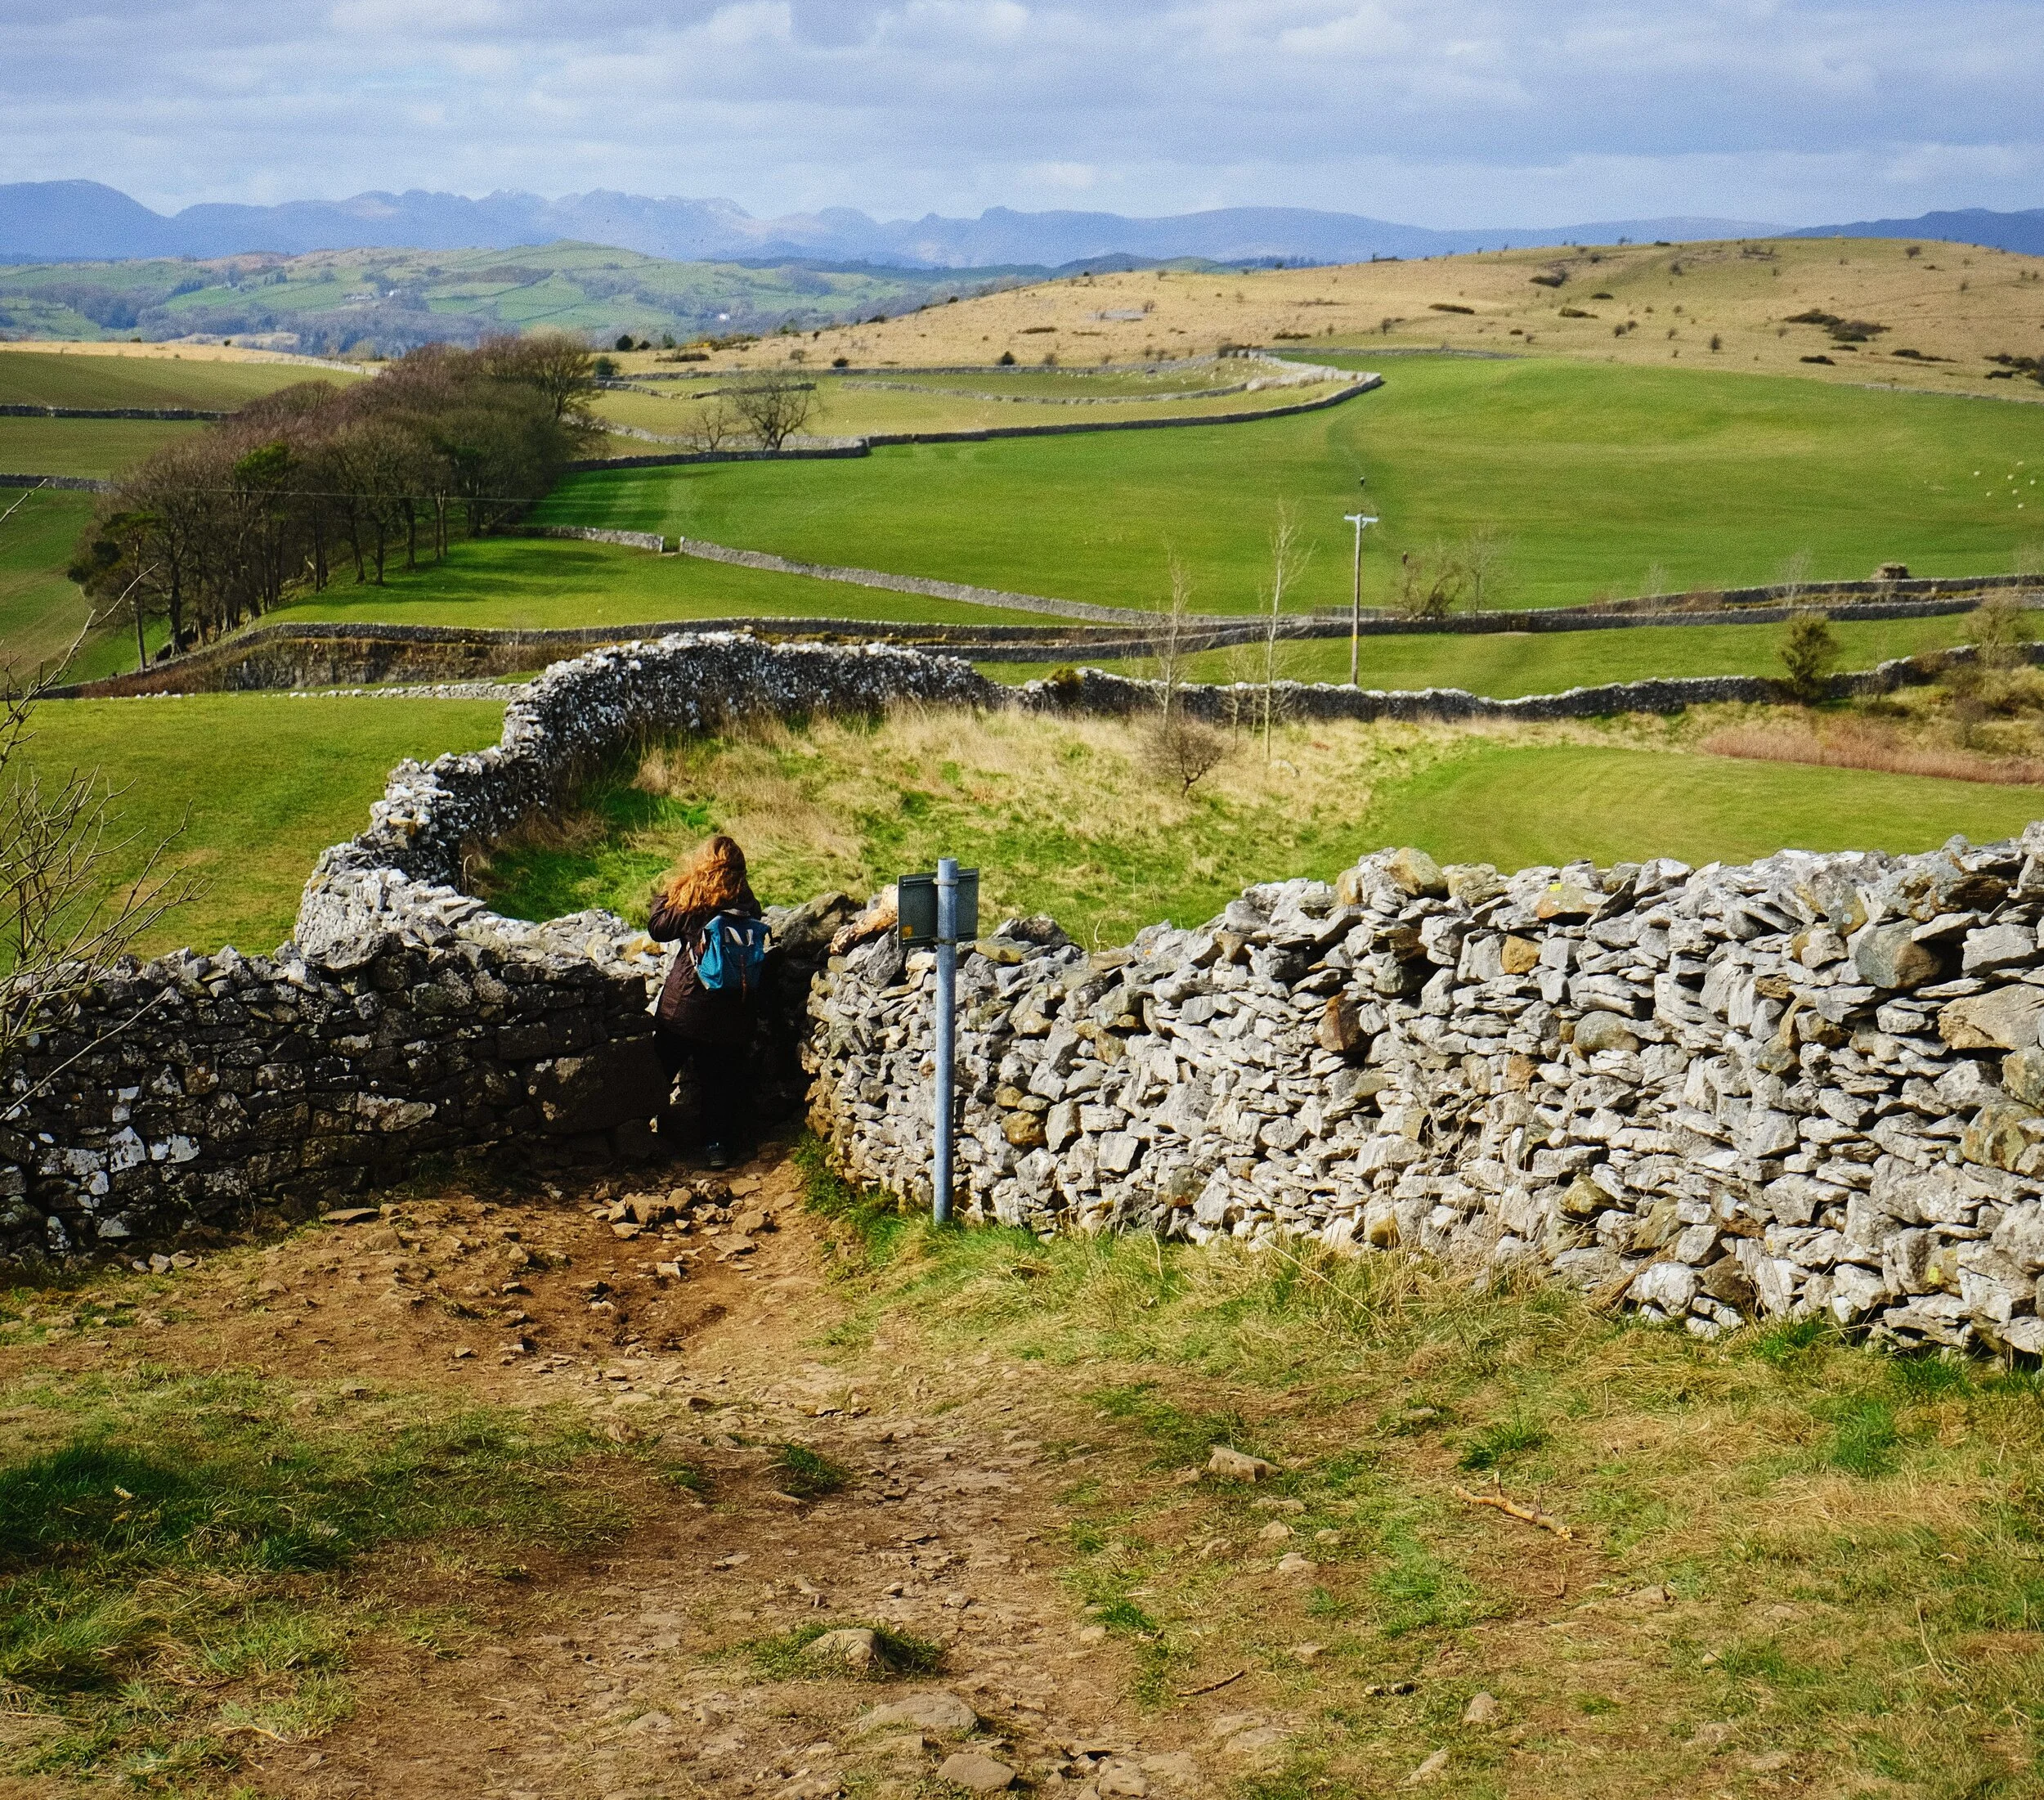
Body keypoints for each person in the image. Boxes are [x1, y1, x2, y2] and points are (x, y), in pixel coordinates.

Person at [648, 834, 765, 1169]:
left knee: (660, 1070)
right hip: (733, 1012)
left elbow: (658, 927)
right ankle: (716, 1146)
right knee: (719, 1081)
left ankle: (636, 1132)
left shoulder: (695, 899)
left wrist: (674, 887)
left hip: (685, 1010)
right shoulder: (747, 902)